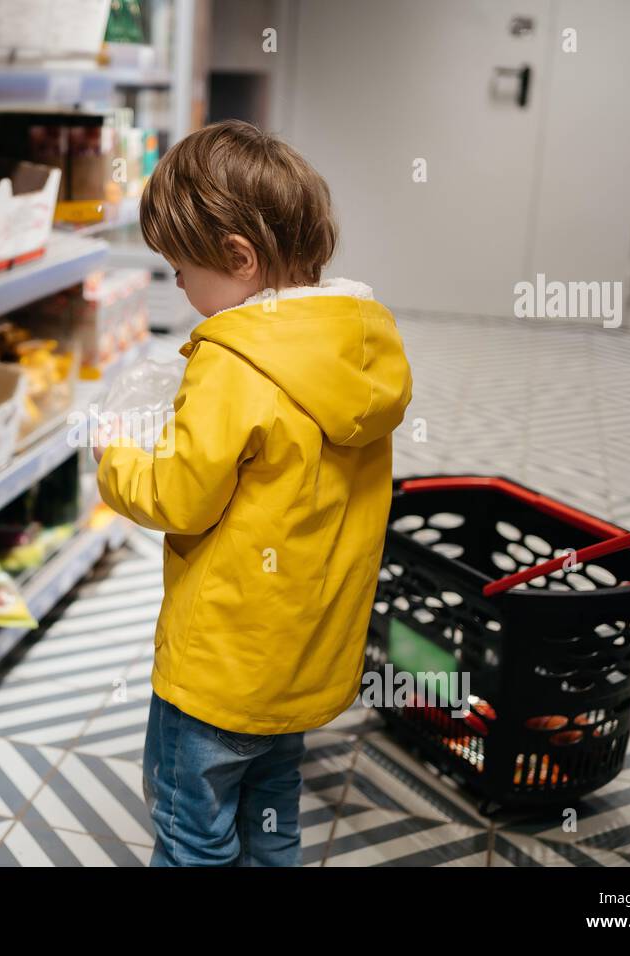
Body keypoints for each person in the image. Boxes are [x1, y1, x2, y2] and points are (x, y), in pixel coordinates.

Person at [93, 119, 413, 866]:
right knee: (273, 817)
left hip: (219, 668)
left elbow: (180, 497)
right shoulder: (359, 350)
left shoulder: (233, 363)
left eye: (177, 269)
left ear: (238, 258)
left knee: (193, 832)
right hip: (304, 657)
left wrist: (117, 459)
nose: (174, 283)